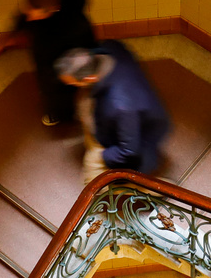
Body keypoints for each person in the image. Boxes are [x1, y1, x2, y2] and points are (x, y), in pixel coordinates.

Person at [55, 42, 171, 185]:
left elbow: (128, 150)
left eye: (74, 83)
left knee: (93, 183)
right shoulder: (111, 48)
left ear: (89, 79)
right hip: (136, 110)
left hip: (142, 134)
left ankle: (152, 188)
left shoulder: (120, 107)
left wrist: (103, 155)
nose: (71, 86)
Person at [15, 0, 96, 126]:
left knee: (61, 92)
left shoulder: (65, 28)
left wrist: (59, 75)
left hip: (68, 59)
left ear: (52, 9)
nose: (30, 16)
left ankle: (61, 114)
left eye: (36, 12)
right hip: (71, 55)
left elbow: (49, 63)